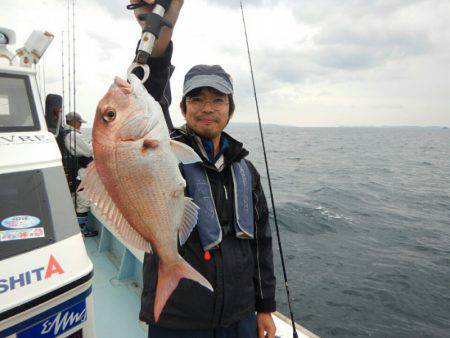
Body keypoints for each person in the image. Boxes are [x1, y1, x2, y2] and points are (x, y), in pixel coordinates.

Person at [131, 1, 276, 337]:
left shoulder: (245, 169)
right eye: (197, 99)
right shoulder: (165, 149)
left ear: (230, 109)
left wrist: (265, 307)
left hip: (239, 315)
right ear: (182, 107)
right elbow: (151, 81)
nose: (207, 109)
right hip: (179, 317)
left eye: (218, 100)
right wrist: (164, 14)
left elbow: (261, 242)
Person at [63, 112, 98, 237]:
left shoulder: (65, 134)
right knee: (83, 202)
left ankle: (76, 230)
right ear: (73, 121)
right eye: (79, 122)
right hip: (79, 174)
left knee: (75, 200)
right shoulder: (73, 135)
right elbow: (88, 151)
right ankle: (82, 231)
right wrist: (95, 141)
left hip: (73, 173)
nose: (80, 125)